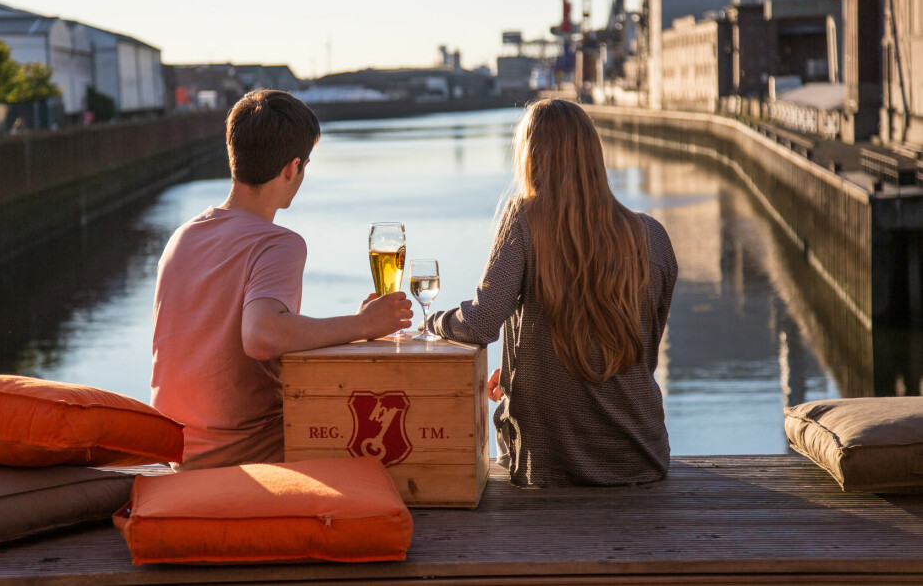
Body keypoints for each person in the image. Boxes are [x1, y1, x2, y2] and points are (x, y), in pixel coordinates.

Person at [151, 89, 413, 470]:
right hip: (249, 452)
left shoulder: (182, 237)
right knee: (389, 445)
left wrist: (353, 324)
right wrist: (362, 325)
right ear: (292, 168)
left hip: (175, 453)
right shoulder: (278, 243)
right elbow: (262, 335)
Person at [424, 98, 677, 487]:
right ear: (594, 153)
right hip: (641, 458)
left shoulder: (524, 219)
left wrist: (433, 321)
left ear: (530, 156)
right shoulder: (653, 236)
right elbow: (644, 352)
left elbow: (481, 322)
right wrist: (515, 371)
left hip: (549, 466)